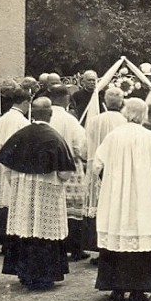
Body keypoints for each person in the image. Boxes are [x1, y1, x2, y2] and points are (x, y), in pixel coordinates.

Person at [93, 98, 151, 301]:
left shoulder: (113, 136)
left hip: (117, 198)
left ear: (125, 112)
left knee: (117, 232)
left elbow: (97, 165)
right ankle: (140, 289)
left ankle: (116, 288)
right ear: (143, 115)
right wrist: (149, 182)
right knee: (141, 234)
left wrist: (111, 182)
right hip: (143, 198)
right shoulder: (150, 137)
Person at [0, 98, 77, 291]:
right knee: (44, 233)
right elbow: (64, 173)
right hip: (47, 195)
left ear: (32, 113)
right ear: (50, 114)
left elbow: (6, 167)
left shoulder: (20, 135)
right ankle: (44, 276)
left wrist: (17, 186)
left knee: (25, 228)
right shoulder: (55, 138)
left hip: (23, 196)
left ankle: (24, 274)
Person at [47, 84, 90, 261]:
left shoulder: (44, 115)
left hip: (49, 168)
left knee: (55, 209)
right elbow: (81, 147)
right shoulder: (70, 120)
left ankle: (56, 246)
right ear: (65, 99)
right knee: (73, 211)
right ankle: (75, 248)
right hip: (70, 168)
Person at [82, 87, 126, 257]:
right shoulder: (125, 121)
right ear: (121, 102)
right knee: (115, 206)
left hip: (96, 169)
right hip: (117, 169)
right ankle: (115, 247)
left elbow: (85, 148)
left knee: (98, 206)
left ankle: (99, 248)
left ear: (106, 102)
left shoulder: (94, 121)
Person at [0, 87, 32, 247]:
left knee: (2, 199)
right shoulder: (22, 122)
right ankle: (11, 240)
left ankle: (0, 238)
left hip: (0, 163)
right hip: (14, 165)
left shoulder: (3, 119)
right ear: (26, 103)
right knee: (11, 199)